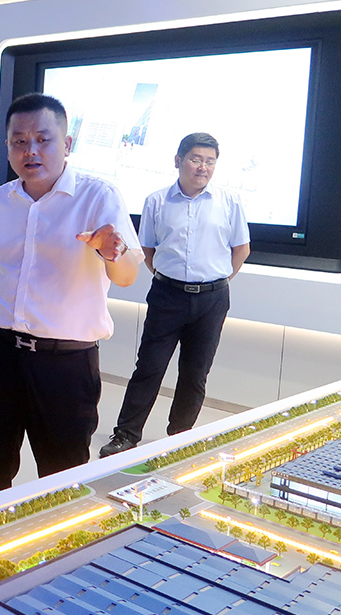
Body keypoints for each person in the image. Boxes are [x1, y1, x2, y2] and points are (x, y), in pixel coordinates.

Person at [0, 93, 142, 499]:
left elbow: (127, 276)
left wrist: (111, 253)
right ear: (7, 146)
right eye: (19, 141)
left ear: (66, 143)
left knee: (63, 482)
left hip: (65, 364)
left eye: (42, 140)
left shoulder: (98, 196)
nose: (30, 150)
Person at [100, 133, 251, 457]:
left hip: (212, 300)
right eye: (196, 159)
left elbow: (241, 249)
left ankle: (179, 438)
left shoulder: (229, 201)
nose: (203, 167)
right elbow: (147, 249)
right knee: (149, 367)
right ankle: (125, 434)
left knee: (195, 373)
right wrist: (170, 278)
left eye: (210, 161)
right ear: (178, 160)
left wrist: (218, 280)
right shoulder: (156, 201)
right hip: (167, 295)